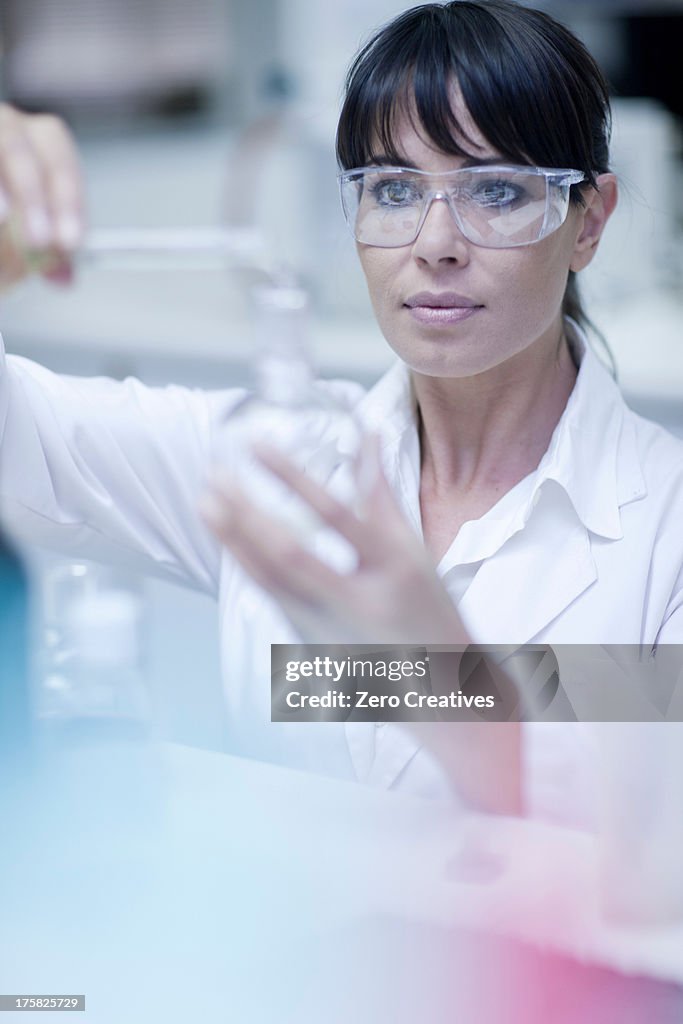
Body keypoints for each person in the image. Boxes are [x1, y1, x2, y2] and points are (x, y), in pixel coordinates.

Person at [1, 0, 682, 824]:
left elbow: (651, 848)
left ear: (588, 221)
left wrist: (434, 671)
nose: (434, 242)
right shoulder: (274, 464)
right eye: (393, 188)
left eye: (496, 190)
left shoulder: (664, 530)